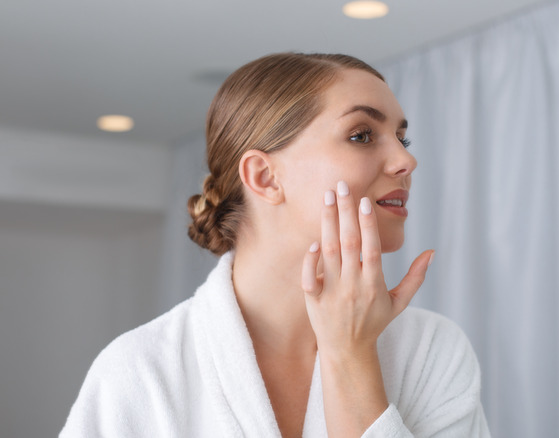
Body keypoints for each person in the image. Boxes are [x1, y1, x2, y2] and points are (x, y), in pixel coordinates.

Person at [61, 53, 490, 437]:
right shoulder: (141, 371)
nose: (406, 161)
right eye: (362, 135)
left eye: (402, 138)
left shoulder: (430, 349)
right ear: (265, 177)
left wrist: (350, 356)